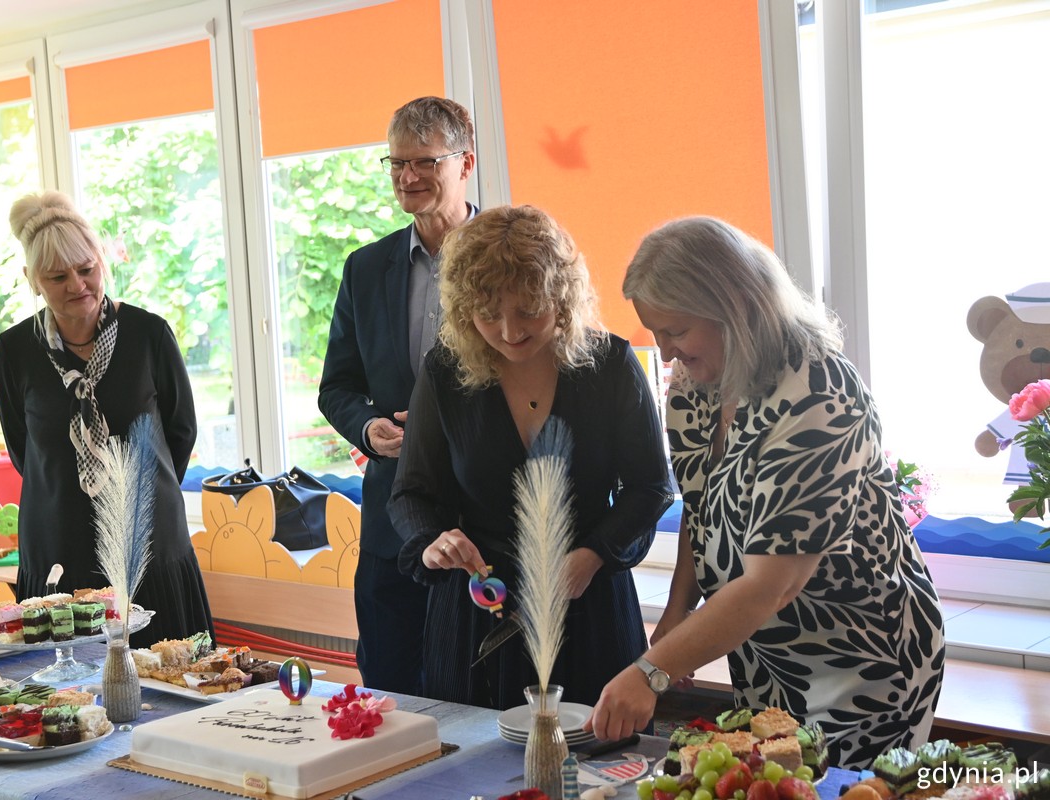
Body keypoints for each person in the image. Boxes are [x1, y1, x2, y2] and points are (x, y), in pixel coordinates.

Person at [586, 216, 945, 769]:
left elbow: (771, 586)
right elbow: (703, 511)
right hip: (763, 651)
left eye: (676, 330)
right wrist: (677, 615)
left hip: (860, 657)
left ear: (733, 307)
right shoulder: (697, 383)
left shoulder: (819, 394)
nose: (665, 352)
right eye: (655, 331)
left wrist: (650, 672)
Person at [388, 205, 674, 710]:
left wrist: (592, 555)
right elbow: (411, 493)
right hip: (479, 608)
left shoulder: (610, 365)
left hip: (588, 605)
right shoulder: (445, 372)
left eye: (528, 310)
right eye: (489, 313)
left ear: (561, 299)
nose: (509, 330)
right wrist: (434, 541)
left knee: (602, 755)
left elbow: (650, 487)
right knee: (469, 756)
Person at [0, 190, 214, 647]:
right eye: (58, 276)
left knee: (170, 674)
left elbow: (181, 431)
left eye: (86, 269)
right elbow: (23, 448)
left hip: (147, 542)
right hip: (58, 547)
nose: (77, 285)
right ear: (33, 281)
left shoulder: (148, 334)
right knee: (65, 685)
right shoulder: (15, 350)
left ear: (101, 263)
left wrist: (140, 491)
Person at [319, 96, 478, 695]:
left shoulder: (511, 254)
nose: (407, 177)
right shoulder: (365, 268)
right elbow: (337, 385)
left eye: (424, 162)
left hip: (483, 523)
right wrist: (368, 429)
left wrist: (451, 426)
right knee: (387, 692)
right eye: (396, 163)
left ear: (465, 163)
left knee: (479, 700)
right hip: (391, 529)